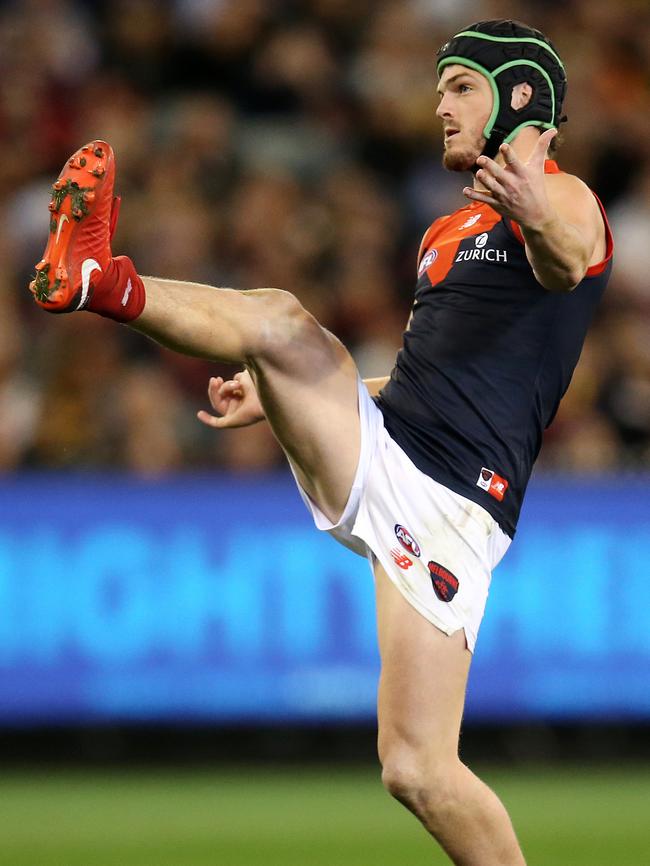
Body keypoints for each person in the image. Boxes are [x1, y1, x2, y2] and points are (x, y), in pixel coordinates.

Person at [29, 19, 612, 866]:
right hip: (395, 439)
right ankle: (95, 276)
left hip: (451, 498)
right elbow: (423, 381)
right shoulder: (445, 234)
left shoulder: (565, 199)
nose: (438, 104)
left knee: (416, 769)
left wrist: (534, 210)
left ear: (519, 98)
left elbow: (567, 263)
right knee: (279, 324)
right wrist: (273, 400)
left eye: (460, 87)